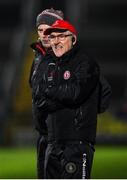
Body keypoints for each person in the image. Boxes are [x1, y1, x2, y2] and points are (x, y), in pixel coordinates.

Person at [33, 19, 111, 179]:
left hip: (77, 142)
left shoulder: (85, 62)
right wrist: (66, 99)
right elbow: (39, 98)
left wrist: (54, 93)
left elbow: (75, 93)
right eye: (53, 37)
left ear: (73, 39)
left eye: (61, 36)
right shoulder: (47, 64)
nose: (56, 41)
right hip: (52, 142)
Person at [29, 8, 64, 178]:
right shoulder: (38, 56)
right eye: (40, 30)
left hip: (61, 138)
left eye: (48, 30)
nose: (43, 34)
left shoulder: (69, 57)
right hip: (44, 136)